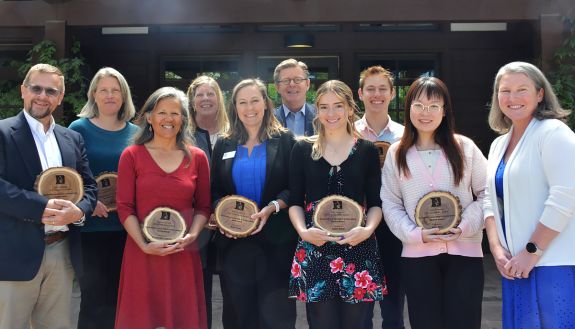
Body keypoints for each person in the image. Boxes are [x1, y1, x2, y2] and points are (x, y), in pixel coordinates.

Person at [380, 76, 486, 329]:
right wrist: (415, 234)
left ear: (444, 110)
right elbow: (390, 202)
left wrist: (464, 227)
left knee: (464, 321)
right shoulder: (397, 153)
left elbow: (487, 194)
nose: (425, 113)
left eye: (433, 106)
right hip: (418, 256)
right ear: (408, 109)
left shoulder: (465, 148)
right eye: (418, 105)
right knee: (425, 321)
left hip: (465, 253)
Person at [0, 63, 97, 329]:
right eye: (36, 88)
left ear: (60, 97)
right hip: (15, 252)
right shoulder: (3, 133)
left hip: (61, 251)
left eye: (51, 91)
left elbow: (90, 188)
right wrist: (41, 207)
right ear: (23, 91)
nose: (43, 96)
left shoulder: (72, 138)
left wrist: (79, 211)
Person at [483, 61, 575, 328]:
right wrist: (496, 249)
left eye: (521, 89)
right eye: (505, 90)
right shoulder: (499, 143)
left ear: (540, 94)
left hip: (552, 264)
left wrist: (532, 251)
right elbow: (489, 199)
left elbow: (565, 195)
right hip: (515, 265)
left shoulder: (554, 133)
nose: (512, 98)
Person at [288, 80, 386, 329]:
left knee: (358, 324)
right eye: (324, 107)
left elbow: (375, 203)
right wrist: (303, 232)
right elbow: (295, 201)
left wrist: (367, 230)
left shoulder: (366, 151)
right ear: (317, 110)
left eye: (338, 106)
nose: (331, 114)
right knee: (321, 324)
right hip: (316, 247)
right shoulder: (302, 149)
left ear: (350, 108)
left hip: (358, 247)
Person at [115, 87, 210, 329]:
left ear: (183, 119)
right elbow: (124, 207)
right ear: (149, 117)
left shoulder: (197, 157)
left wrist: (192, 236)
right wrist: (145, 245)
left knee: (182, 318)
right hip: (142, 253)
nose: (168, 119)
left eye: (175, 113)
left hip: (182, 254)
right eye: (161, 113)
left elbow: (203, 207)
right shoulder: (131, 155)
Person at [211, 78, 297, 329]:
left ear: (266, 103)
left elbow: (295, 187)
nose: (250, 108)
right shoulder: (225, 143)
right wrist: (221, 213)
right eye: (243, 102)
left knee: (276, 314)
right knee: (239, 314)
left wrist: (274, 206)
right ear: (234, 107)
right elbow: (214, 189)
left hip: (276, 241)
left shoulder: (285, 140)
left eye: (255, 101)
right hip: (235, 244)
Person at [68, 67, 138, 329]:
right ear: (93, 95)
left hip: (126, 230)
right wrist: (86, 200)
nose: (110, 95)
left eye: (115, 90)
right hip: (91, 229)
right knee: (93, 299)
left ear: (124, 95)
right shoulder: (79, 128)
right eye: (103, 90)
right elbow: (67, 173)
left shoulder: (137, 132)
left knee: (122, 299)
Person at [355, 65, 405, 329]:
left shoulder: (405, 135)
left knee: (394, 305)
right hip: (357, 223)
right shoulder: (348, 132)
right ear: (360, 93)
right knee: (360, 305)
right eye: (371, 89)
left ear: (392, 94)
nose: (377, 95)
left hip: (394, 225)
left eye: (382, 89)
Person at [186, 75, 229, 329]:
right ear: (192, 101)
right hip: (196, 223)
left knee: (233, 288)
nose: (205, 99)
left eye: (210, 93)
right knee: (197, 292)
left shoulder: (234, 131)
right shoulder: (183, 135)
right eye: (199, 95)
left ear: (219, 99)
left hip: (230, 224)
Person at [273, 58, 316, 136]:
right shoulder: (269, 119)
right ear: (277, 87)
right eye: (286, 80)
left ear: (307, 84)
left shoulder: (321, 116)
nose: (292, 84)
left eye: (297, 79)